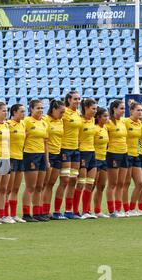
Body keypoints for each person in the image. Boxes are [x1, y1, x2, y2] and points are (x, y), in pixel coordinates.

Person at [53, 91, 83, 219]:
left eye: (79, 99)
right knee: (64, 180)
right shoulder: (64, 112)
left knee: (73, 180)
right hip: (65, 149)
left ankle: (69, 210)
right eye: (75, 99)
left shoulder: (77, 113)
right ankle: (56, 211)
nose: (77, 101)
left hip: (76, 149)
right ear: (69, 100)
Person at [22, 99, 50, 222]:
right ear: (31, 109)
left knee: (39, 186)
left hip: (41, 156)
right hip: (30, 155)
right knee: (31, 186)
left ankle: (38, 212)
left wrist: (47, 160)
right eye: (37, 108)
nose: (40, 110)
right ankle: (26, 213)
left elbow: (45, 143)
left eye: (42, 108)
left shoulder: (44, 122)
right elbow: (22, 138)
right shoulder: (27, 121)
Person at [72, 98, 98, 219]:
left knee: (90, 184)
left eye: (96, 108)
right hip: (82, 153)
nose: (95, 111)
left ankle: (86, 211)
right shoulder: (80, 121)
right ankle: (75, 211)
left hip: (92, 153)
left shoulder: (93, 120)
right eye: (93, 108)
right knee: (80, 183)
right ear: (86, 108)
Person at [41, 100, 66, 220]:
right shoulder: (45, 119)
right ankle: (39, 210)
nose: (62, 114)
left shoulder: (60, 121)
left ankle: (47, 210)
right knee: (44, 184)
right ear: (54, 109)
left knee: (51, 184)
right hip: (48, 154)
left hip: (58, 154)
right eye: (61, 112)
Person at [105, 100, 128, 218]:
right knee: (112, 183)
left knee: (121, 183)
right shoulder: (108, 122)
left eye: (124, 108)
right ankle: (111, 210)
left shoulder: (124, 122)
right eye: (121, 108)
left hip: (124, 154)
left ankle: (118, 209)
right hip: (113, 154)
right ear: (114, 109)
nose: (123, 111)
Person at [123, 102, 142, 217]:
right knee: (126, 183)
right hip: (126, 155)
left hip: (136, 156)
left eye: (141, 110)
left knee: (140, 183)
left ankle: (132, 208)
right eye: (138, 110)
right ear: (131, 111)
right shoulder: (125, 122)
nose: (140, 112)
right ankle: (126, 209)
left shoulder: (140, 124)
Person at [5, 104, 27, 223]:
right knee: (8, 189)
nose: (24, 113)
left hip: (20, 157)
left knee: (16, 188)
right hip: (11, 158)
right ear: (14, 112)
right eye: (22, 111)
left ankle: (13, 214)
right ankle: (5, 214)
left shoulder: (23, 124)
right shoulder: (8, 124)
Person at [93, 107, 110, 218]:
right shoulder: (94, 129)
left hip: (104, 159)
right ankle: (87, 209)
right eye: (104, 116)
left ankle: (98, 210)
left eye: (107, 116)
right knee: (91, 185)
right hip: (95, 159)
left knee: (102, 186)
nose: (107, 118)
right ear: (98, 117)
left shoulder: (105, 128)